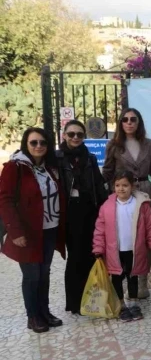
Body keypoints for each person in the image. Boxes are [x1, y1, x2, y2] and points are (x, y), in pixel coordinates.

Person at [0, 127, 66, 333]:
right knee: (31, 275)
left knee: (44, 272)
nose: (38, 146)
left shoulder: (49, 167)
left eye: (43, 143)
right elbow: (5, 200)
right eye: (34, 142)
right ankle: (33, 316)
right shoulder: (15, 167)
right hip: (27, 232)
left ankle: (44, 311)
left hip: (49, 228)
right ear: (25, 144)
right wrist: (15, 231)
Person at [103, 108, 151, 299]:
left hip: (145, 192)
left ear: (139, 122)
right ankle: (123, 278)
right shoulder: (113, 145)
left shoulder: (150, 144)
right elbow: (107, 171)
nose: (129, 122)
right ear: (120, 123)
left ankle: (142, 280)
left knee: (146, 237)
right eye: (125, 119)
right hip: (122, 193)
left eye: (133, 119)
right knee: (125, 237)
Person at [56, 120, 108, 315]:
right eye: (71, 134)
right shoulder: (57, 158)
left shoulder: (90, 158)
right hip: (69, 212)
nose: (75, 137)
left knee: (90, 255)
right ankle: (74, 302)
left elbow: (98, 184)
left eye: (79, 134)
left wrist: (104, 210)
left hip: (89, 210)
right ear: (64, 136)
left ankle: (91, 298)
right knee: (75, 257)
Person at [92, 171, 151, 322]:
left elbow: (149, 225)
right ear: (113, 186)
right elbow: (100, 229)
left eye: (125, 185)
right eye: (117, 185)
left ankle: (134, 304)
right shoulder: (107, 206)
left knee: (133, 275)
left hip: (135, 249)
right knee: (116, 277)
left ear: (132, 185)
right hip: (114, 251)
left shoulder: (141, 204)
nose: (121, 189)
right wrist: (98, 248)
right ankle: (121, 305)